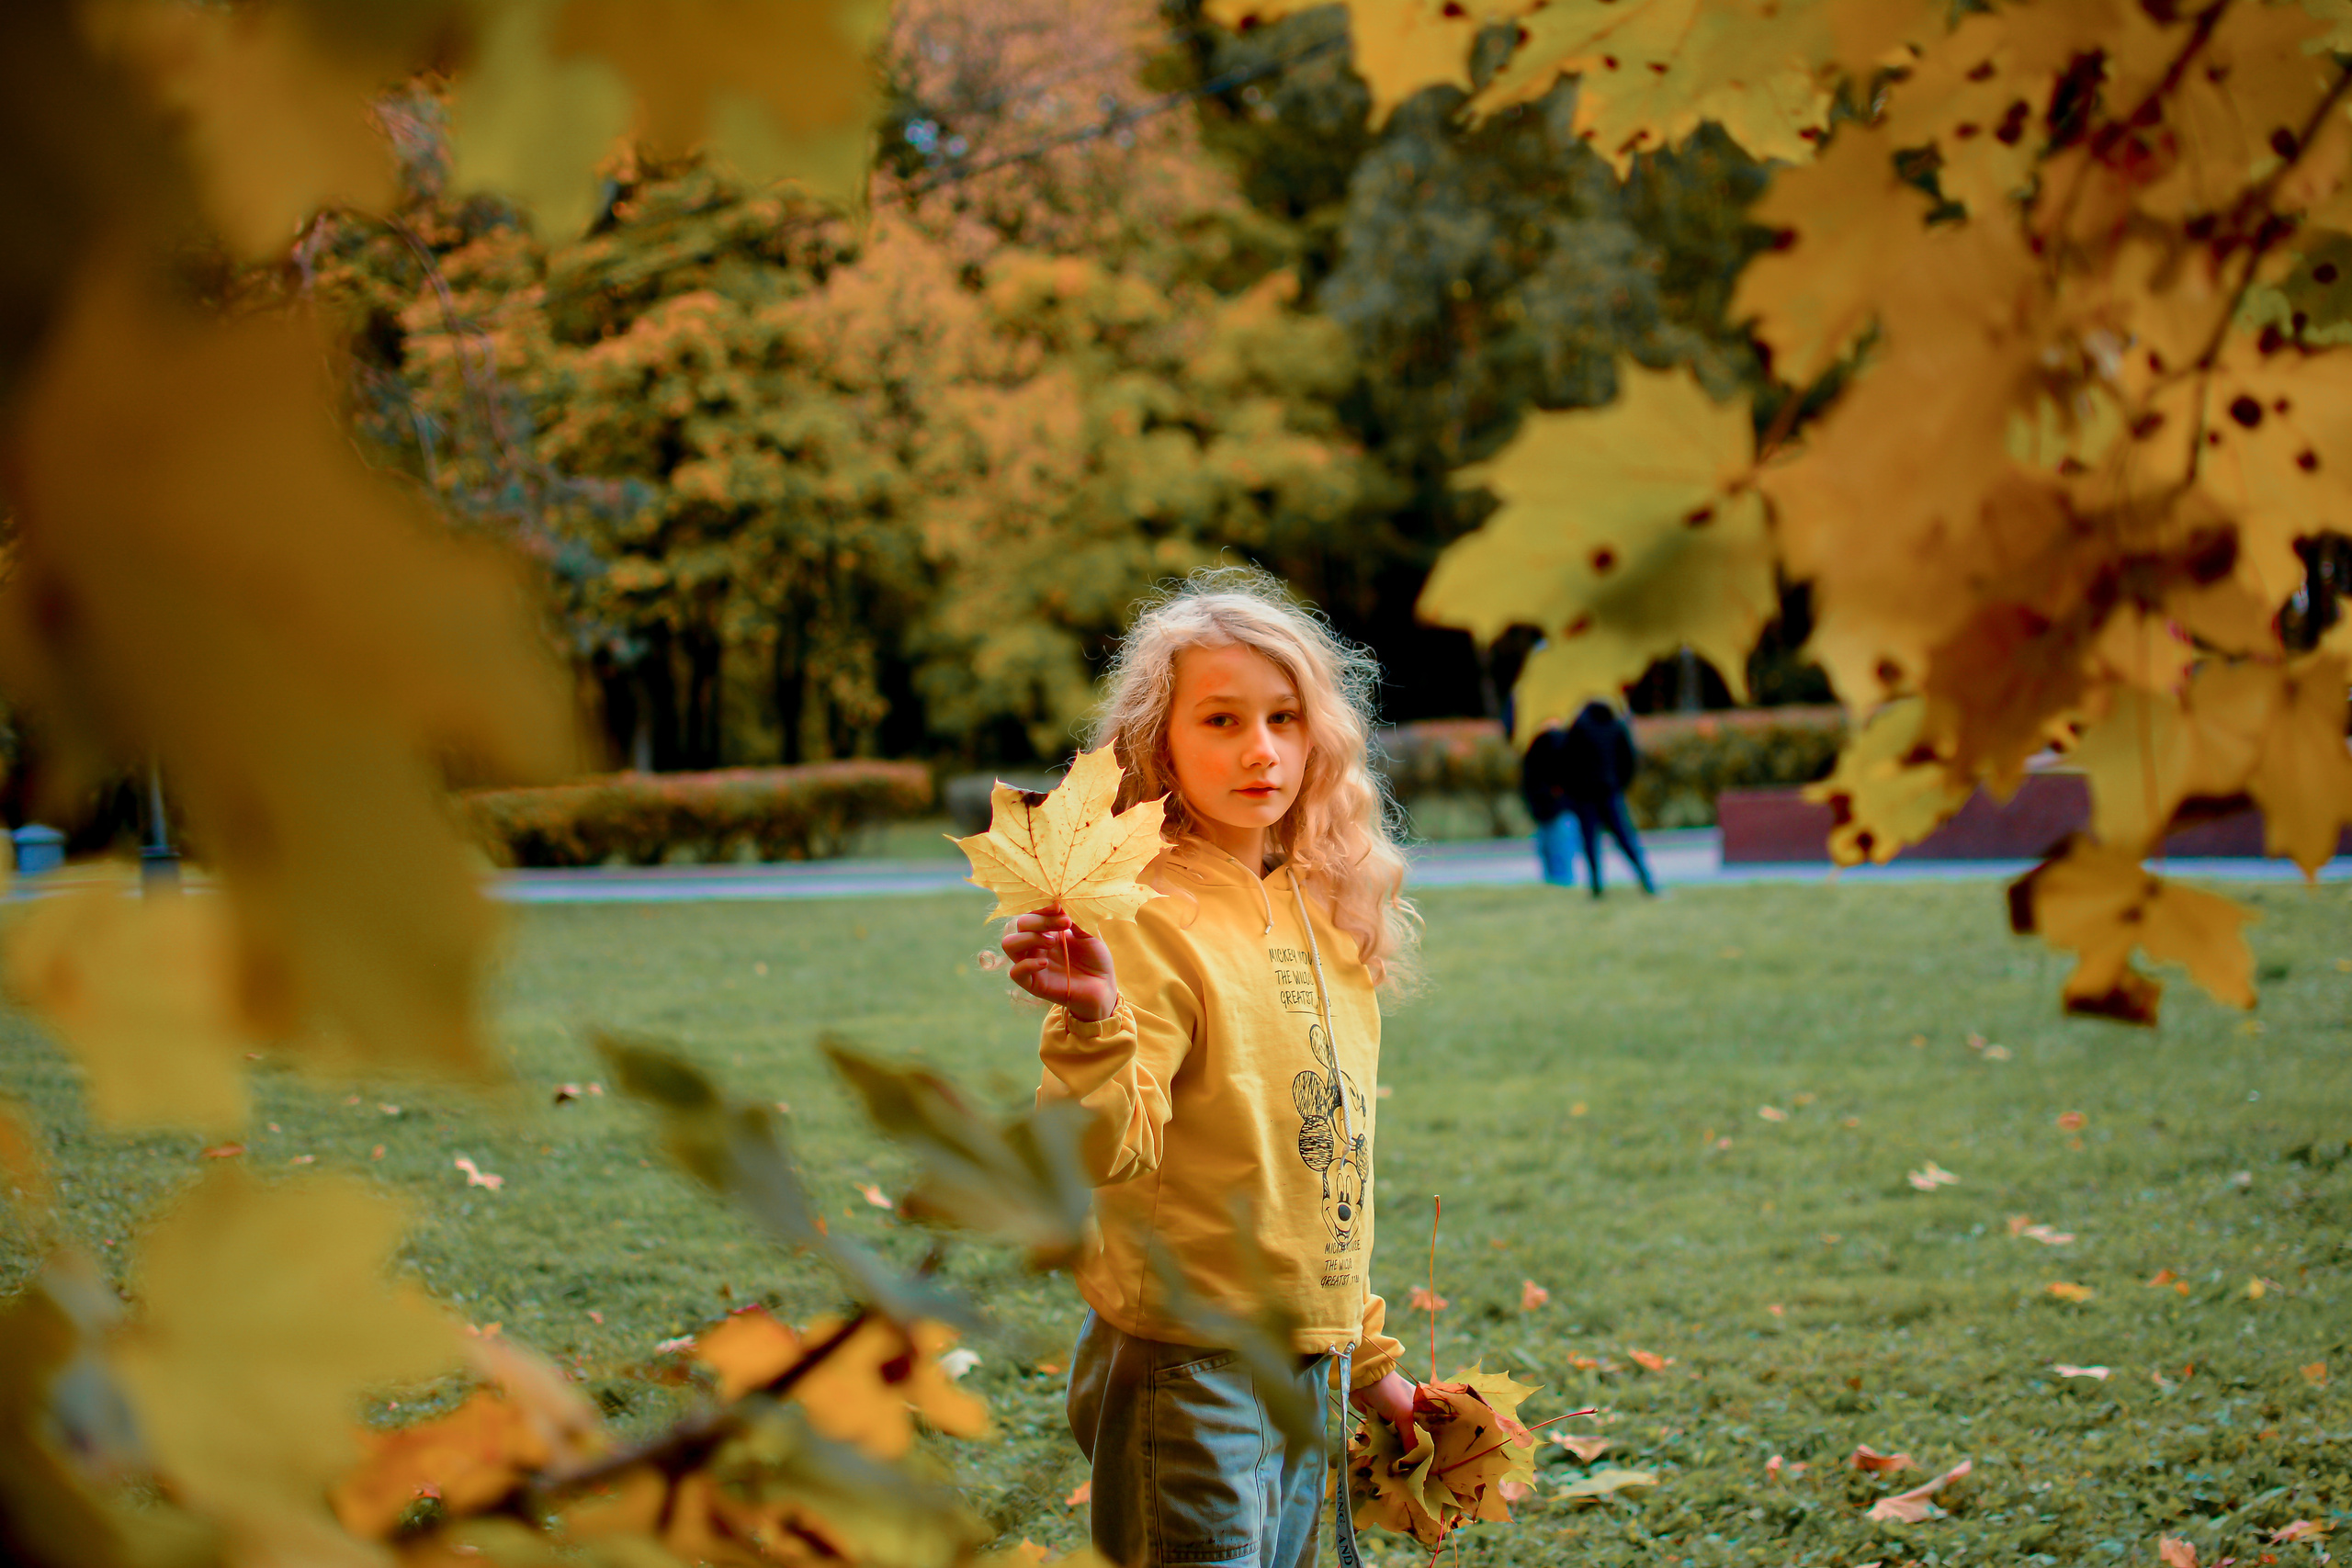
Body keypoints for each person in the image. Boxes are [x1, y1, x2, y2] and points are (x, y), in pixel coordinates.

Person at [1001, 567, 1421, 1568]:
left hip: (1302, 1369)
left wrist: (1367, 1365)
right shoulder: (1145, 915)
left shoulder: (1327, 908)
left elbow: (1321, 1182)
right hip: (1190, 1365)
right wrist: (1095, 1017)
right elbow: (1101, 1151)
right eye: (1221, 720)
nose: (1260, 750)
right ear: (1159, 741)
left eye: (1283, 717)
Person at [1521, 699, 1657, 897]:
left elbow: (1567, 759)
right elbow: (1628, 760)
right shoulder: (1616, 726)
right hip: (1610, 793)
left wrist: (1571, 790)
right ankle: (1646, 880)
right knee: (1626, 838)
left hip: (1586, 797)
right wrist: (1619, 785)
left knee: (1591, 843)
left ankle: (1596, 887)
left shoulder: (1580, 727)